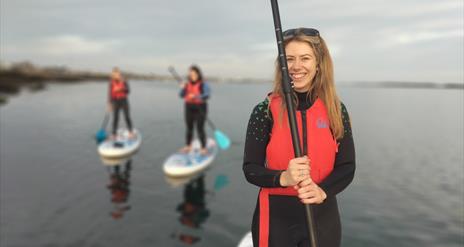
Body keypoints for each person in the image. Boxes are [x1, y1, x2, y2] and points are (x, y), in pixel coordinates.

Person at [242, 28, 356, 247]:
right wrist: (284, 177)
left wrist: (323, 190)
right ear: (281, 65)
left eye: (305, 58)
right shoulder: (264, 110)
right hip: (276, 219)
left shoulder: (336, 110)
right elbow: (250, 168)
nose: (296, 66)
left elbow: (347, 167)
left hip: (323, 217)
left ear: (318, 63)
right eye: (289, 59)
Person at [179, 65, 211, 155]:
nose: (192, 75)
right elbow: (181, 95)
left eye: (194, 74)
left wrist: (196, 96)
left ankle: (203, 147)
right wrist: (182, 89)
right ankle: (188, 146)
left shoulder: (203, 84)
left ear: (198, 74)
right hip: (189, 107)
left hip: (200, 107)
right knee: (189, 128)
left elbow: (207, 95)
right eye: (190, 74)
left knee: (200, 128)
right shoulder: (186, 84)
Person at [108, 67, 135, 139]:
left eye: (119, 74)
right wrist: (110, 104)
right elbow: (110, 94)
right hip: (115, 101)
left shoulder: (124, 81)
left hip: (124, 100)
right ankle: (114, 133)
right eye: (116, 74)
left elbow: (128, 91)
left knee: (127, 116)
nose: (118, 75)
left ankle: (130, 132)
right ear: (113, 75)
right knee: (115, 118)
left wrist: (122, 88)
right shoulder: (111, 83)